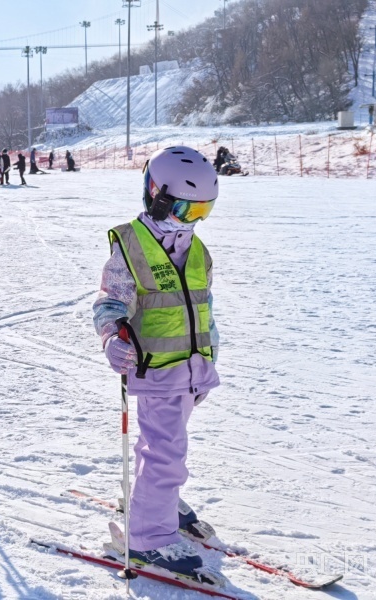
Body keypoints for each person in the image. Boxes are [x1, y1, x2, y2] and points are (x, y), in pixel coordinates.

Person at [93, 146, 220, 579]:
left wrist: (209, 357)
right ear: (157, 195)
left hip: (190, 371)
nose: (194, 220)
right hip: (154, 370)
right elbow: (110, 302)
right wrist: (112, 336)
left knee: (165, 445)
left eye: (203, 209)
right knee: (167, 452)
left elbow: (203, 309)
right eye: (186, 208)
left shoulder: (197, 251)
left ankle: (154, 501)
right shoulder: (131, 246)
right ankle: (148, 539)